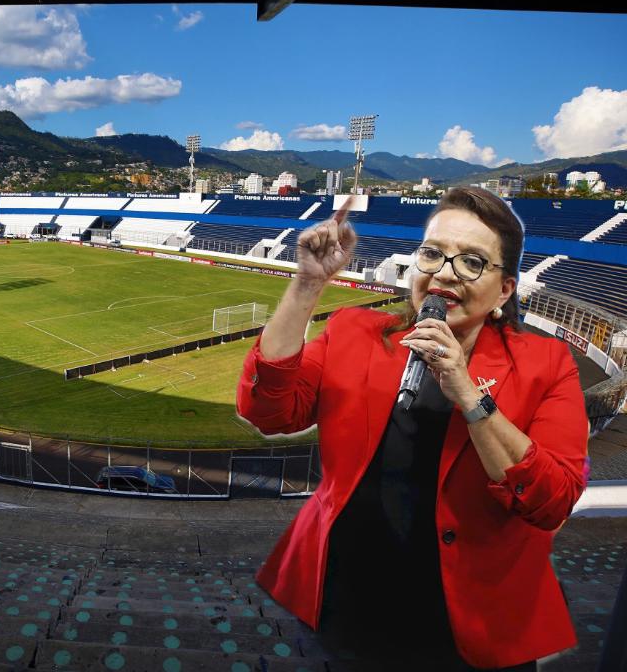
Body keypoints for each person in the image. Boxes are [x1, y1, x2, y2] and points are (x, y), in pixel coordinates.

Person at [236, 187, 589, 671]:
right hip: (346, 608)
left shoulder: (546, 365)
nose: (444, 273)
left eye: (471, 262)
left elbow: (553, 500)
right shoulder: (355, 332)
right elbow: (269, 411)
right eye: (432, 254)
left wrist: (467, 393)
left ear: (505, 289)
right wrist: (306, 286)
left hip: (472, 627)